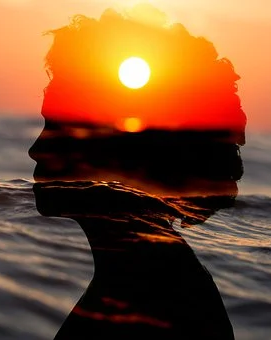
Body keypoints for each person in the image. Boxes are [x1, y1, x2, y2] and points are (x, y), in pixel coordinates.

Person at [28, 6, 246, 340]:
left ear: (128, 154)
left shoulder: (152, 298)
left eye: (58, 128)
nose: (36, 149)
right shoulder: (145, 277)